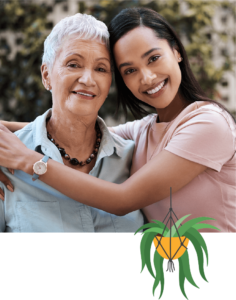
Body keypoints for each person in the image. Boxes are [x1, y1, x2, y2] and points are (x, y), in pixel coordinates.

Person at [0, 8, 235, 232]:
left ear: (176, 51)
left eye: (153, 58)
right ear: (46, 75)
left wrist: (28, 160)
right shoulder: (143, 131)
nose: (148, 77)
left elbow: (123, 199)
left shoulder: (209, 124)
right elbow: (76, 127)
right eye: (130, 70)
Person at [0, 13, 144, 232]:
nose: (88, 79)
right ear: (46, 75)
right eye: (73, 64)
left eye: (101, 69)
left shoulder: (136, 158)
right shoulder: (5, 157)